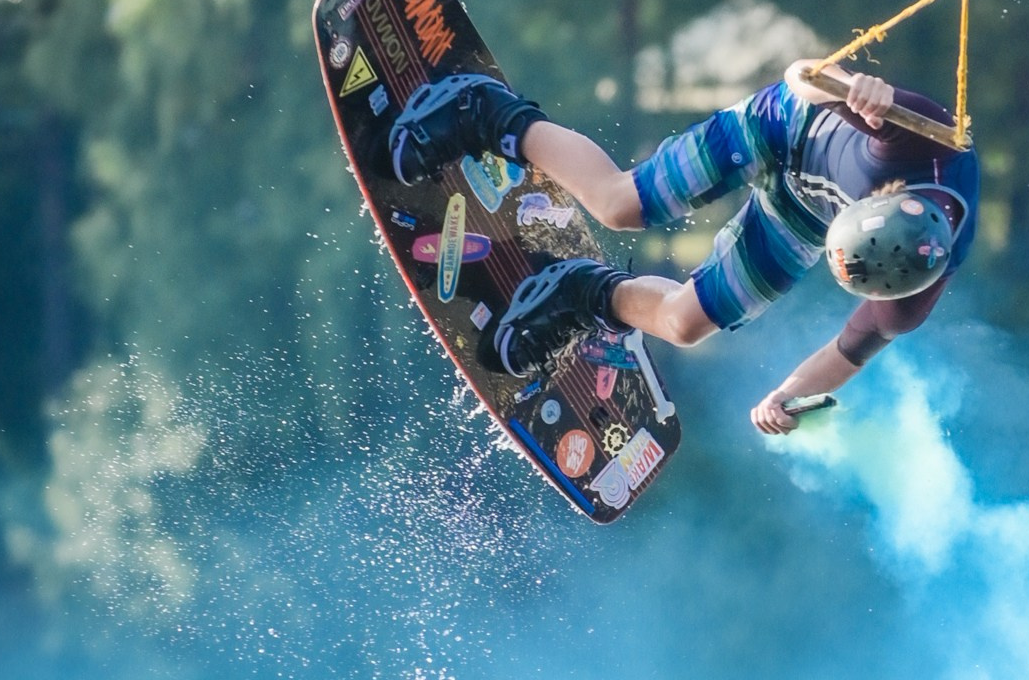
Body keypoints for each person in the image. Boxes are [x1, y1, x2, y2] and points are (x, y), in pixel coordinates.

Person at [387, 61, 979, 435]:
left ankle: (575, 290)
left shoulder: (909, 300)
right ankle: (486, 114)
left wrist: (785, 398)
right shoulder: (911, 137)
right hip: (781, 127)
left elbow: (849, 354)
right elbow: (801, 73)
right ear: (882, 199)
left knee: (686, 324)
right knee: (620, 206)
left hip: (806, 213)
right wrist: (853, 88)